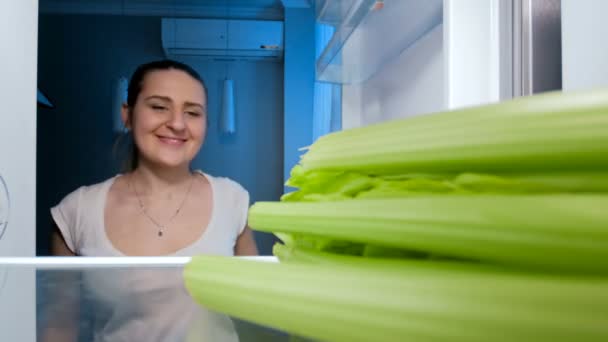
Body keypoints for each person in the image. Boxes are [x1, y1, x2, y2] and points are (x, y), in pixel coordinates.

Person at [43, 59, 258, 341]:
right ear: (128, 115)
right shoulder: (76, 212)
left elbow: (256, 316)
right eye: (159, 107)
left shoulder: (233, 202)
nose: (178, 124)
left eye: (192, 112)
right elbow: (59, 330)